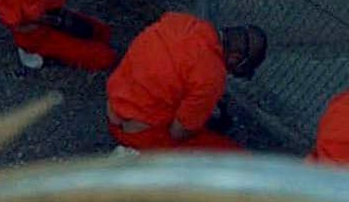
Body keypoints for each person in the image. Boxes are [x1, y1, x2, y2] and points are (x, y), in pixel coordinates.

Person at [106, 14, 268, 152]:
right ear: (235, 57)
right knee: (233, 153)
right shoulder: (212, 74)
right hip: (138, 136)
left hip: (113, 110)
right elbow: (178, 133)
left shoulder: (182, 21)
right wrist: (201, 120)